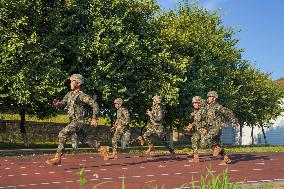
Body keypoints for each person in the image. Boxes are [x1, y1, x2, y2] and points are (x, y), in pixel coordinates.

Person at [45, 74, 101, 165]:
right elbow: (63, 104)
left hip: (78, 121)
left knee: (62, 134)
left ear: (78, 83)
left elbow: (95, 105)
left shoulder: (82, 95)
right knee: (84, 139)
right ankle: (102, 149)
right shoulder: (69, 94)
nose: (70, 83)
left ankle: (57, 157)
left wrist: (94, 118)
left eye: (72, 81)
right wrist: (57, 104)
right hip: (73, 121)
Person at [202, 91, 239, 164]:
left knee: (205, 141)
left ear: (214, 98)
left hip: (216, 128)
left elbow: (228, 112)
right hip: (209, 128)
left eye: (210, 97)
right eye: (208, 97)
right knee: (217, 144)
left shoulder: (218, 106)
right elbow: (206, 118)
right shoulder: (207, 107)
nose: (208, 98)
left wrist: (234, 121)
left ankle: (217, 149)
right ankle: (226, 158)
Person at [185, 96, 206, 163]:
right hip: (200, 130)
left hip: (206, 129)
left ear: (199, 103)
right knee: (194, 139)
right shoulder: (196, 111)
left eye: (196, 103)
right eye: (193, 103)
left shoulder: (203, 110)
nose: (194, 104)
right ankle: (196, 157)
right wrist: (191, 125)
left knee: (214, 144)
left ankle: (225, 156)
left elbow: (207, 119)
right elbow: (196, 121)